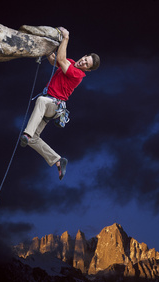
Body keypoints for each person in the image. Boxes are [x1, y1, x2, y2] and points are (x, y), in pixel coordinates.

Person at [20, 26, 100, 180]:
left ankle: (26, 134)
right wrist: (48, 50)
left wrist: (66, 38)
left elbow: (62, 60)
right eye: (85, 59)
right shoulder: (70, 63)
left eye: (86, 64)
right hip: (48, 106)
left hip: (53, 105)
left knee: (41, 101)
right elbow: (55, 61)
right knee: (34, 140)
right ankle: (57, 160)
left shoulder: (78, 75)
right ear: (83, 55)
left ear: (87, 70)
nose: (82, 62)